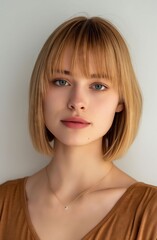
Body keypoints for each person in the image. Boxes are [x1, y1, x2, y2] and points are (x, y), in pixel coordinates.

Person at [0, 16, 157, 240]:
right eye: (61, 82)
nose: (77, 101)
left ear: (121, 101)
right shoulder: (3, 204)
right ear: (41, 92)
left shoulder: (149, 214)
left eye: (98, 86)